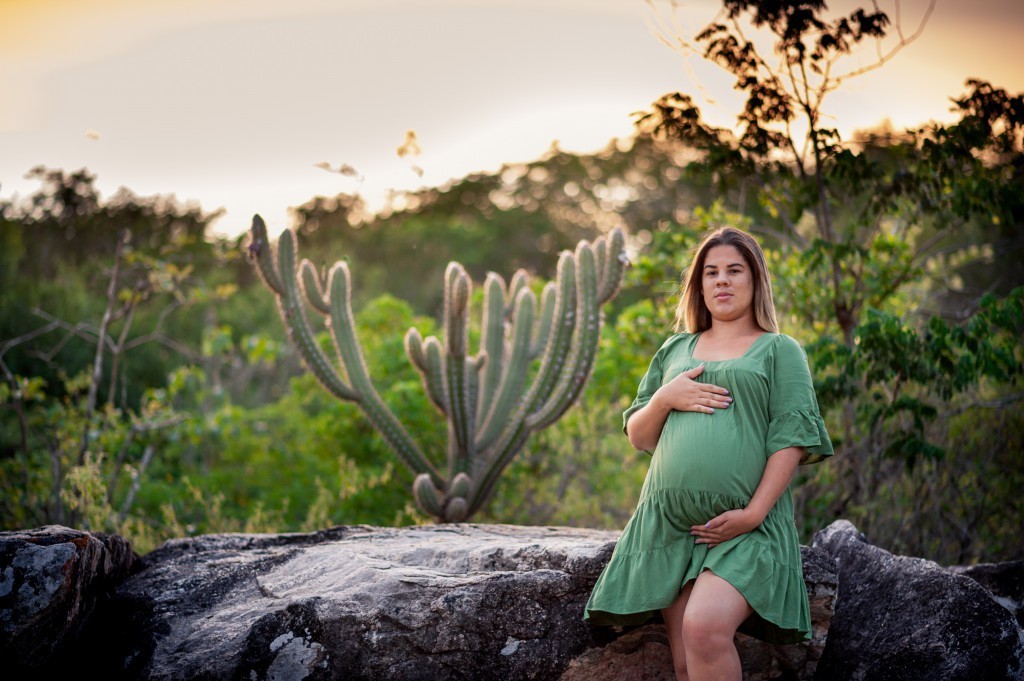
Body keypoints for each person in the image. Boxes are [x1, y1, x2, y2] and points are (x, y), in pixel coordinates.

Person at [583, 226, 834, 681]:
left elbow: (791, 439)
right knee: (684, 663)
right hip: (671, 526)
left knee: (704, 630)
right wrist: (665, 398)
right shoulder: (676, 349)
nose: (722, 280)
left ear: (755, 280)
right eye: (711, 272)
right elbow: (639, 436)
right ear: (699, 285)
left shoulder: (780, 350)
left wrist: (753, 514)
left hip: (745, 529)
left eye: (734, 270)